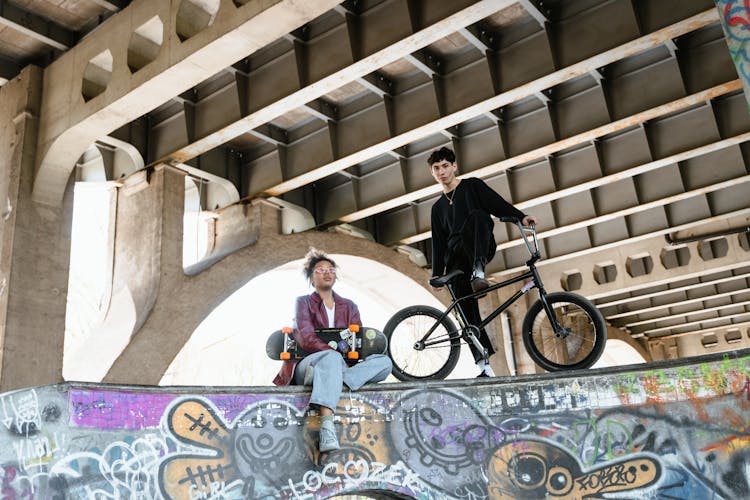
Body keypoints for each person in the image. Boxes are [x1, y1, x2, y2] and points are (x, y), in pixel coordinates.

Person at [428, 146, 538, 377]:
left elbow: (497, 204)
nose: (442, 171)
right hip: (457, 261)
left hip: (479, 244)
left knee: (478, 215)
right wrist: (437, 273)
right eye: (436, 168)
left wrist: (520, 216)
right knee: (467, 315)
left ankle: (479, 273)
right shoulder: (437, 208)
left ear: (455, 166)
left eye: (445, 166)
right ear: (433, 172)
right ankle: (483, 366)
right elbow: (438, 242)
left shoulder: (472, 186)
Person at [272, 248, 392, 452]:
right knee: (330, 358)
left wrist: (344, 360)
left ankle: (334, 380)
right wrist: (336, 356)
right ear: (311, 278)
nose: (327, 272)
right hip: (308, 366)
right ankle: (327, 428)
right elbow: (307, 338)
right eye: (320, 270)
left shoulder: (349, 306)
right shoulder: (303, 303)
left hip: (340, 366)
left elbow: (357, 342)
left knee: (384, 363)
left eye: (331, 269)